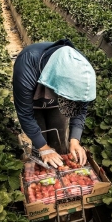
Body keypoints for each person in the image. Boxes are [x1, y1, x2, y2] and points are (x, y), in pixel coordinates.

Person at [12, 39, 96, 168]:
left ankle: (59, 168)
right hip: (33, 101)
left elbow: (80, 108)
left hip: (57, 98)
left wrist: (75, 140)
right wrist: (43, 147)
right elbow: (25, 114)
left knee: (59, 136)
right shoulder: (27, 64)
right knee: (40, 140)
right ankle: (41, 167)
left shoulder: (81, 69)